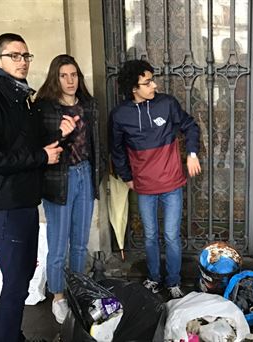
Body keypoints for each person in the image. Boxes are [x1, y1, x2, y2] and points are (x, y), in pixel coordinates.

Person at [0, 33, 63, 342]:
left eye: (25, 56)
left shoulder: (19, 98)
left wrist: (57, 135)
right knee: (17, 282)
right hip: (6, 204)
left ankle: (11, 335)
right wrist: (40, 156)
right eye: (14, 56)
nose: (22, 62)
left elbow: (23, 142)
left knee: (19, 279)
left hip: (22, 200)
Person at [110, 60, 201, 299]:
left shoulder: (167, 104)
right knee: (150, 235)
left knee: (171, 235)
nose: (154, 85)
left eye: (152, 80)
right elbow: (116, 150)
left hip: (171, 183)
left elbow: (190, 126)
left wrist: (191, 154)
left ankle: (173, 281)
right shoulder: (120, 115)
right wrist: (127, 177)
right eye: (147, 82)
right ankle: (153, 277)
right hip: (144, 186)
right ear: (133, 88)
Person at [34, 54, 105, 324]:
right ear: (55, 77)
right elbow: (38, 146)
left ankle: (77, 291)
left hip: (84, 174)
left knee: (80, 242)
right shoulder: (45, 108)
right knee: (58, 244)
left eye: (73, 74)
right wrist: (59, 134)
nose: (70, 80)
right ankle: (59, 297)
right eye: (64, 75)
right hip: (58, 180)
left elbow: (95, 144)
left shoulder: (88, 105)